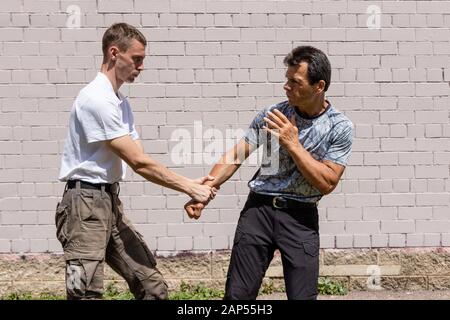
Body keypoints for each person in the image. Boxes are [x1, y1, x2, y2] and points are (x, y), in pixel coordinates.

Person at [55, 23, 216, 300]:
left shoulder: (119, 101)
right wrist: (190, 189)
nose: (141, 67)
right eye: (137, 59)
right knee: (83, 294)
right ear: (114, 53)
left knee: (151, 285)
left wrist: (190, 184)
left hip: (108, 203)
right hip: (83, 206)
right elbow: (138, 162)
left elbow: (140, 157)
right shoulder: (96, 99)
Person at [185, 46, 354, 300]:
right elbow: (235, 155)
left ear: (319, 86)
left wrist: (293, 144)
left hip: (300, 218)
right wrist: (205, 191)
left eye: (295, 82)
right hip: (259, 212)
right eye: (287, 79)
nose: (286, 86)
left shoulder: (339, 127)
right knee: (237, 298)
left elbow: (327, 182)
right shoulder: (272, 115)